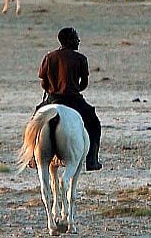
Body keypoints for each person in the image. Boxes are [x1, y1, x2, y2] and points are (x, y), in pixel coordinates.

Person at [34, 27, 103, 171]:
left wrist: (51, 88)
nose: (78, 41)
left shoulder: (49, 57)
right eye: (76, 38)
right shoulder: (81, 59)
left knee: (35, 120)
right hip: (74, 100)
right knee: (94, 122)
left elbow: (43, 82)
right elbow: (83, 83)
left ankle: (32, 157)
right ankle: (92, 159)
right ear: (70, 41)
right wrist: (74, 88)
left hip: (53, 98)